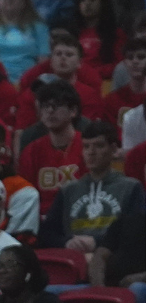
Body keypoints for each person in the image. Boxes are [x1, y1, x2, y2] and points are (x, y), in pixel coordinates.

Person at [40, 120, 145, 287]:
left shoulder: (131, 187)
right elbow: (46, 234)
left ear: (113, 149)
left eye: (98, 146)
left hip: (114, 267)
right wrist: (66, 242)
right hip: (72, 265)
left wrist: (96, 242)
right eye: (86, 147)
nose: (91, 152)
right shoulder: (68, 190)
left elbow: (135, 237)